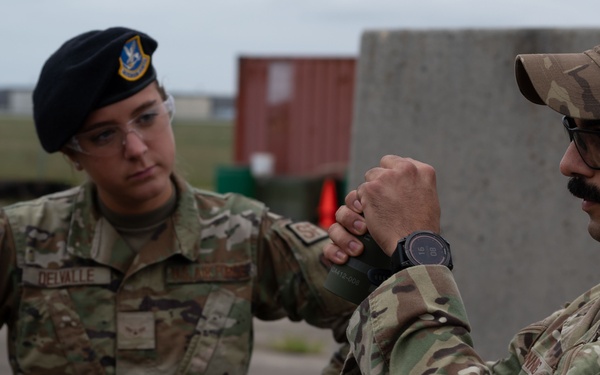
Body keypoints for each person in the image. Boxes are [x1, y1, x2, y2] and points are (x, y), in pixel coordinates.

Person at [0, 27, 355, 374]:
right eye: (105, 134)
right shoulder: (20, 242)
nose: (137, 149)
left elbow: (377, 309)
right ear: (72, 153)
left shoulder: (244, 234)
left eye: (147, 117)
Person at [325, 44, 600, 374]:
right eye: (572, 130)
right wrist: (393, 283)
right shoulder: (589, 310)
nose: (568, 164)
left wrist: (417, 256)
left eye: (593, 138)